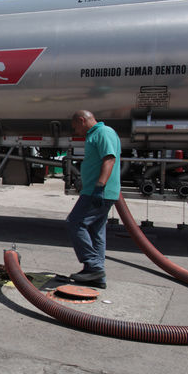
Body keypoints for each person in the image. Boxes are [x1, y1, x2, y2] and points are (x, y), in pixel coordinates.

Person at [65, 109, 121, 288]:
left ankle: (93, 266)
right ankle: (97, 276)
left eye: (76, 127)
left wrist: (99, 186)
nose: (76, 132)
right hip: (96, 190)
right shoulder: (97, 134)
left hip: (98, 191)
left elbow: (109, 159)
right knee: (96, 231)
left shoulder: (103, 132)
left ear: (82, 120)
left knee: (75, 222)